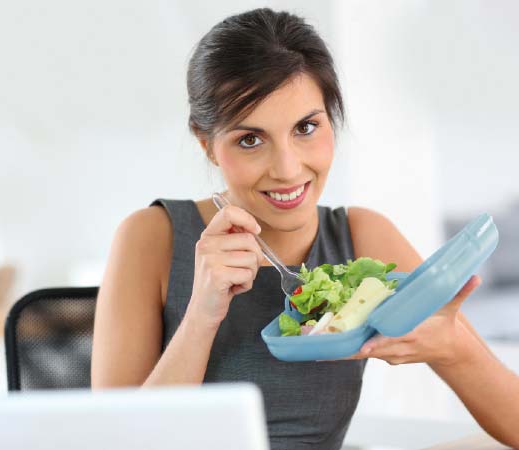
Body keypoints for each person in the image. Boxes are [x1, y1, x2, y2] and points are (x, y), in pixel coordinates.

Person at [91, 8, 519, 449]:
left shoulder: (361, 236)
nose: (287, 169)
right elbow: (114, 443)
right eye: (250, 140)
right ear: (208, 145)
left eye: (306, 127)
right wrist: (202, 315)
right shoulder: (152, 237)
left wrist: (455, 347)